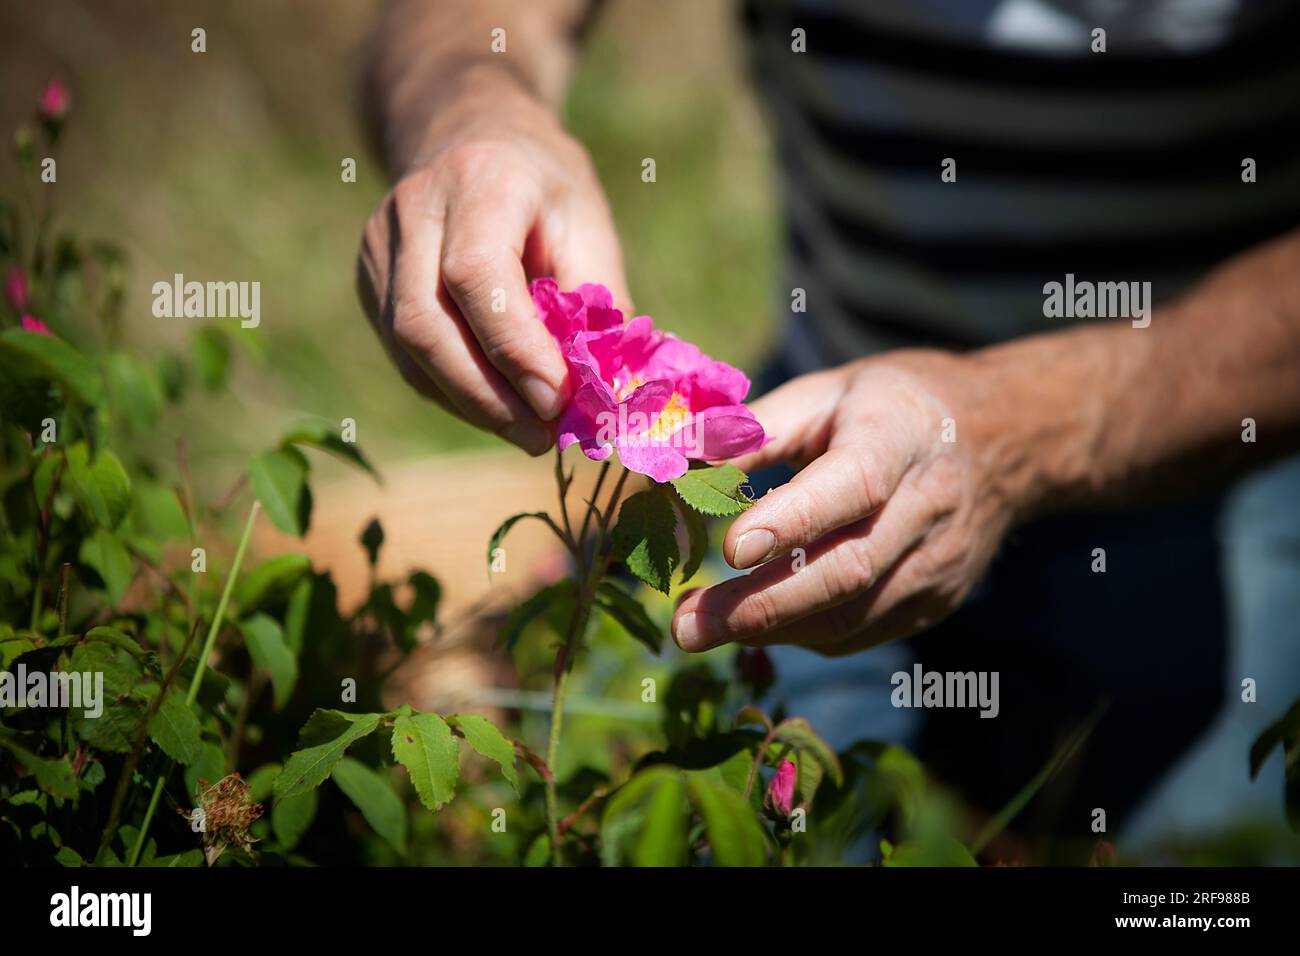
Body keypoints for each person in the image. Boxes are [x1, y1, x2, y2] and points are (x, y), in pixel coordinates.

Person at [356, 0, 1300, 845]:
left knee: (1199, 872)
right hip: (816, 428)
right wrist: (473, 108)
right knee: (629, 773)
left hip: (1222, 453)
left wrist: (1019, 433)